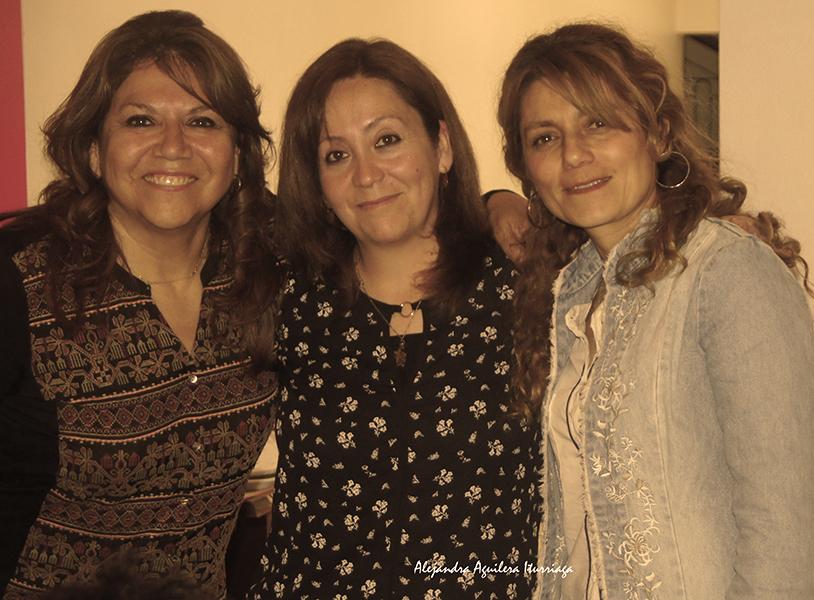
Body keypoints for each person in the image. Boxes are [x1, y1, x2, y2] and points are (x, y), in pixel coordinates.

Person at [497, 23, 814, 599]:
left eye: (597, 122)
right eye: (545, 138)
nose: (575, 155)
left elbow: (783, 537)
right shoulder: (569, 295)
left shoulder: (726, 272)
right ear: (526, 168)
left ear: (657, 132)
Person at [248, 39, 542, 599]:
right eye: (336, 155)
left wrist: (500, 200)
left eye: (387, 140)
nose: (366, 174)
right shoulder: (287, 297)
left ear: (442, 145)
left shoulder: (527, 284)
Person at [0, 11, 280, 599]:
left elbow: (382, 216)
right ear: (95, 150)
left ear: (235, 156)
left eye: (202, 120)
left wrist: (499, 200)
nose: (173, 146)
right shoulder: (19, 282)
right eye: (140, 120)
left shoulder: (266, 263)